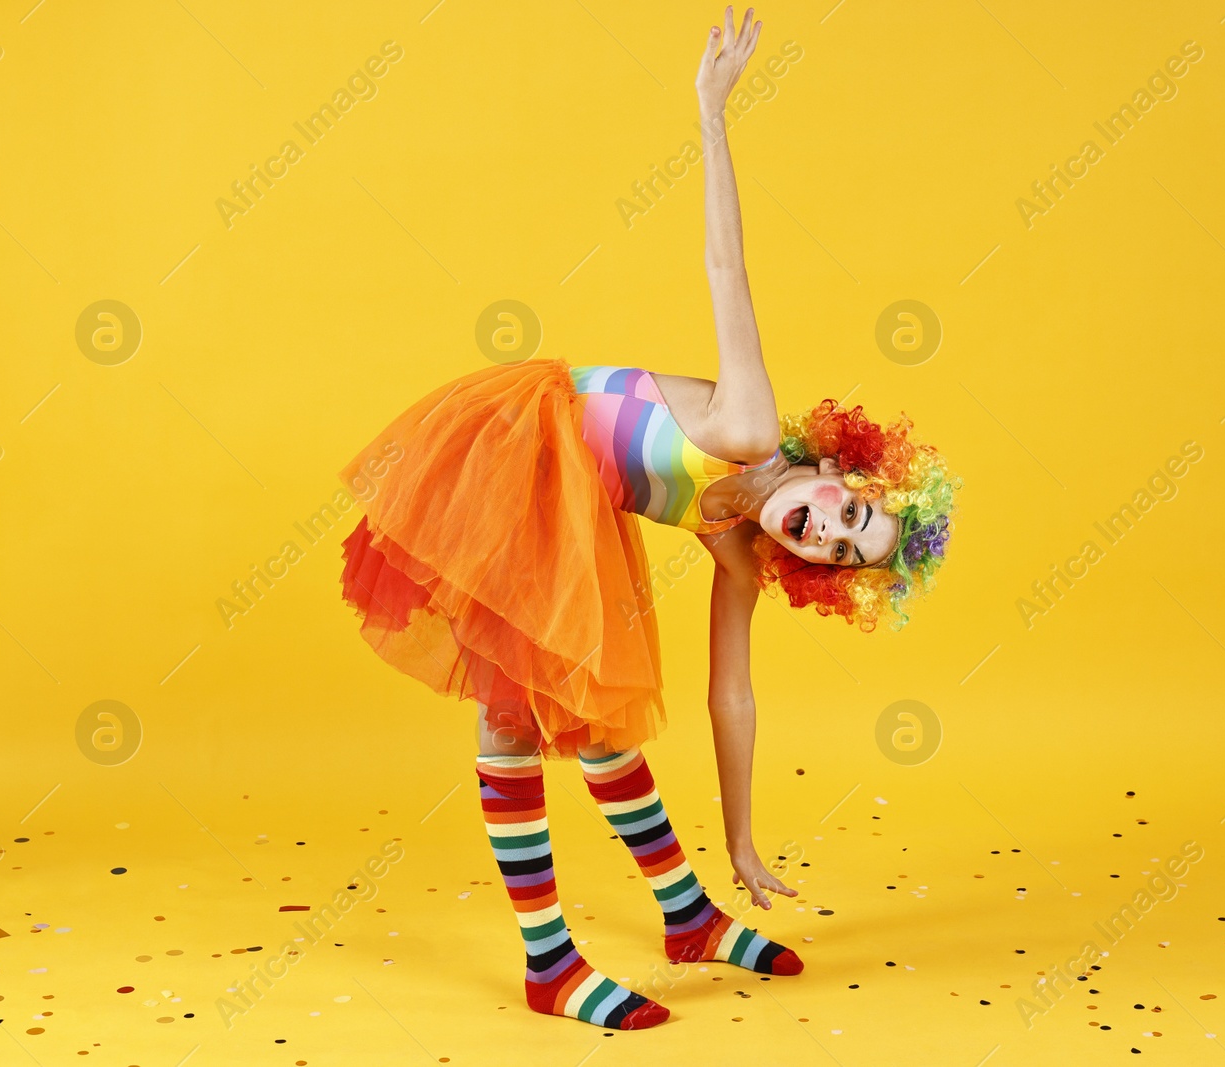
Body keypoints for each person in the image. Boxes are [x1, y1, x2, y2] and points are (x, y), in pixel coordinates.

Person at [337, 6, 960, 1030]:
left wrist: (745, 839)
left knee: (598, 702)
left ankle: (687, 912)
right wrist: (712, 112)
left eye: (844, 552)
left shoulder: (741, 547)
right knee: (520, 703)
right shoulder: (752, 425)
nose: (829, 530)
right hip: (520, 450)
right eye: (851, 510)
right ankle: (549, 961)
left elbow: (733, 697)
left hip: (576, 503)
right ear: (842, 464)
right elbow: (728, 270)